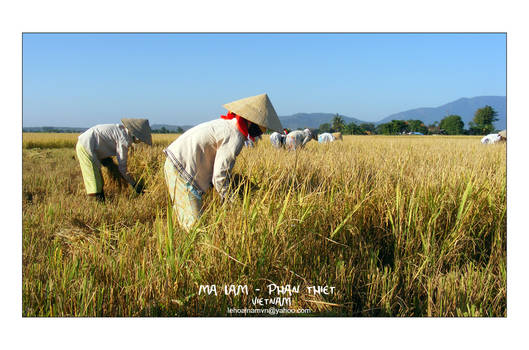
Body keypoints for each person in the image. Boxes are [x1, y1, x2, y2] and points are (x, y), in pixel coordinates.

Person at [163, 93, 283, 231]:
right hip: (181, 170)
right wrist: (233, 203)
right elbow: (219, 176)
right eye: (261, 127)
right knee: (196, 229)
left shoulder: (227, 125)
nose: (261, 132)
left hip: (178, 164)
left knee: (189, 220)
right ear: (251, 121)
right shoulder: (235, 135)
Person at [76, 118, 152, 202]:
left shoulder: (122, 131)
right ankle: (96, 205)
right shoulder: (124, 139)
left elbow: (103, 139)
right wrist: (134, 184)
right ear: (137, 136)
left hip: (90, 145)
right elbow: (122, 168)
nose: (140, 141)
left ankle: (101, 203)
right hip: (86, 145)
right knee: (94, 180)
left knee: (98, 180)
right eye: (141, 139)